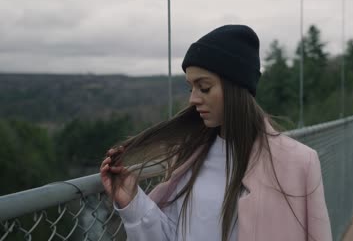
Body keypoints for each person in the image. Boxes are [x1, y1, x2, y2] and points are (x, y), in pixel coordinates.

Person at [100, 25, 332, 241]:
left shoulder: (299, 162)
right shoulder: (188, 158)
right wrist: (132, 201)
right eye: (191, 88)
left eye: (204, 87)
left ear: (236, 88)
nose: (193, 99)